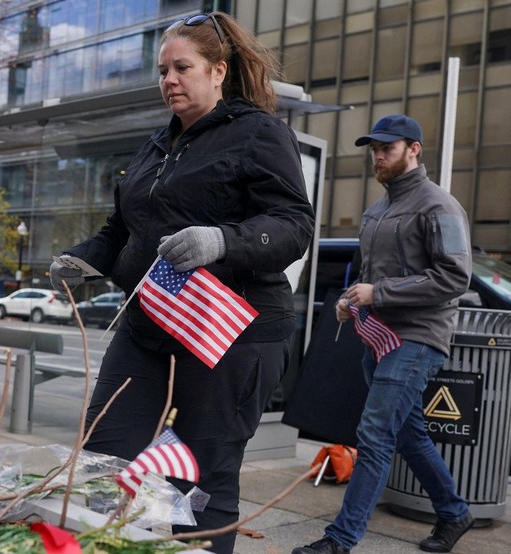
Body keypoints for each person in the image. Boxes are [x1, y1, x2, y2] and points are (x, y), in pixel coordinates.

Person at [50, 12, 314, 553]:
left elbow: (294, 226)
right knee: (102, 462)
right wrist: (79, 261)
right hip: (148, 327)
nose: (168, 79)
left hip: (229, 335)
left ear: (218, 71)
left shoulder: (261, 132)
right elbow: (122, 232)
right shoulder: (155, 145)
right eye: (162, 70)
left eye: (182, 68)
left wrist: (222, 241)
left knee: (200, 482)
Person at [293, 116, 474, 554]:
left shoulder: (440, 205)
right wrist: (351, 300)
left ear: (414, 149)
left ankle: (340, 540)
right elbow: (370, 277)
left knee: (374, 434)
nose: (377, 156)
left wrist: (380, 292)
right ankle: (454, 512)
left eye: (386, 148)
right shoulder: (377, 210)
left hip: (418, 338)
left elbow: (455, 277)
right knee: (408, 434)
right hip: (379, 337)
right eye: (374, 149)